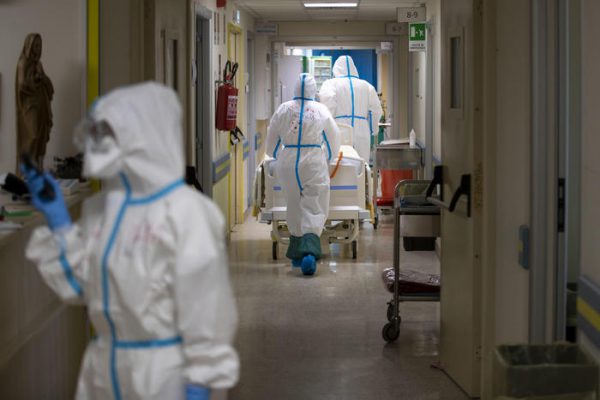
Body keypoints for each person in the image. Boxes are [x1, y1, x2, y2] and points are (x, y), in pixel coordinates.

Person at [23, 82, 239, 400]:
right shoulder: (102, 210)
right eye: (97, 131)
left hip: (164, 374)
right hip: (103, 368)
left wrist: (201, 380)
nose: (98, 142)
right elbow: (81, 286)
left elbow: (207, 306)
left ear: (144, 134)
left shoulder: (186, 212)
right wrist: (60, 225)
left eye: (108, 132)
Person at [266, 73, 340, 276]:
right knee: (314, 204)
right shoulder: (320, 110)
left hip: (287, 162)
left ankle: (297, 254)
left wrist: (277, 156)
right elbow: (334, 139)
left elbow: (271, 141)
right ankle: (309, 254)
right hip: (313, 161)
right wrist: (329, 159)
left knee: (293, 203)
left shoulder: (283, 109)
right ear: (313, 89)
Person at [319, 55, 382, 161]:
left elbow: (327, 109)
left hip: (340, 129)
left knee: (339, 164)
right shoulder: (367, 86)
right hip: (362, 131)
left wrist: (325, 130)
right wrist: (373, 129)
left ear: (336, 69)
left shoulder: (330, 84)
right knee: (361, 165)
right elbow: (376, 110)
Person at [16, 33, 54, 172]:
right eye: (35, 45)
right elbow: (22, 85)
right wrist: (37, 79)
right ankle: (27, 170)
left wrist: (42, 77)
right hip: (30, 105)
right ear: (29, 46)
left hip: (41, 103)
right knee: (33, 135)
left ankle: (38, 168)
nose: (38, 48)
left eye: (40, 45)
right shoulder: (23, 63)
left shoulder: (39, 64)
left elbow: (48, 85)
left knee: (41, 137)